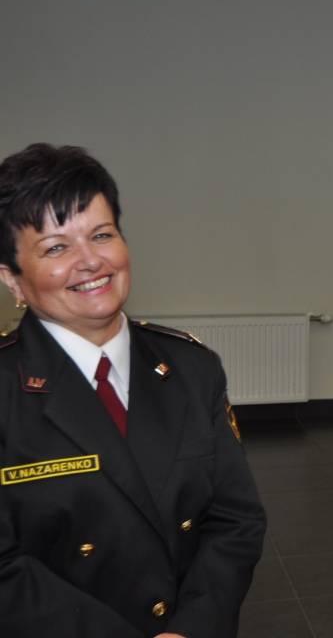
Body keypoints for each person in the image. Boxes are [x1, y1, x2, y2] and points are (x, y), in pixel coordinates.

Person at [0, 144, 266, 637]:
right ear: (12, 280)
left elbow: (235, 519)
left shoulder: (192, 368)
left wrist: (193, 626)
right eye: (56, 247)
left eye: (102, 235)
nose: (90, 261)